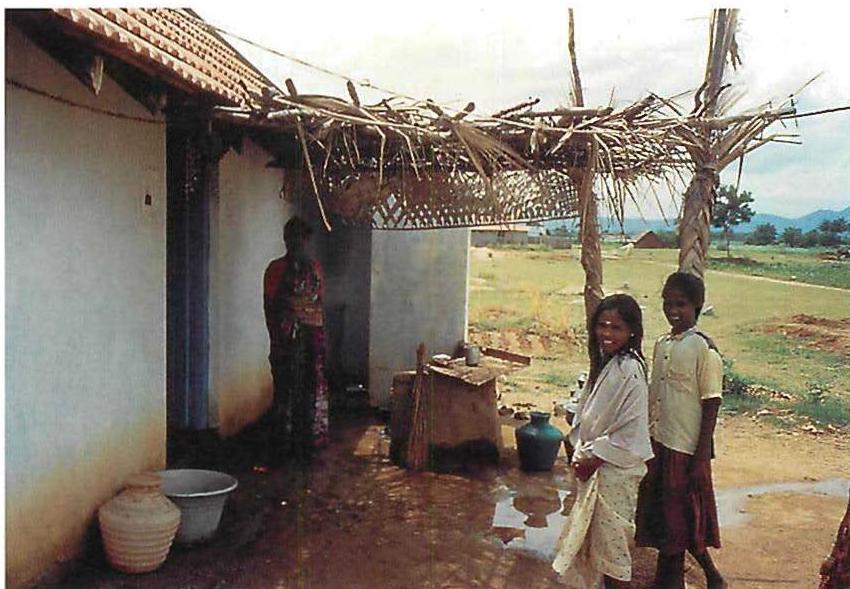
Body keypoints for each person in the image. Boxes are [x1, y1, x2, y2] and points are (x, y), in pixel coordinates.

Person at [553, 294, 653, 589]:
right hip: (597, 466)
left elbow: (630, 430)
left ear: (632, 331)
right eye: (602, 325)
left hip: (613, 473)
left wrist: (593, 459)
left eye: (616, 327)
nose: (607, 333)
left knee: (613, 553)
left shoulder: (629, 370)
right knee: (597, 549)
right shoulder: (608, 363)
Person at [635, 272, 726, 589]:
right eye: (668, 304)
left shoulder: (704, 349)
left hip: (685, 450)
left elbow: (711, 403)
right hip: (659, 443)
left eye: (681, 304)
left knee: (681, 520)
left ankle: (674, 581)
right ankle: (709, 578)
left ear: (697, 305)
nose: (673, 311)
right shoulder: (662, 344)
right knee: (667, 519)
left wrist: (700, 458)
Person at [262, 216, 329, 461]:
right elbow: (270, 307)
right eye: (294, 238)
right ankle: (286, 446)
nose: (298, 243)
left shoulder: (315, 269)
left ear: (307, 240)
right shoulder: (276, 269)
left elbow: (318, 305)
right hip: (287, 342)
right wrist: (279, 337)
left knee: (309, 391)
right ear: (286, 240)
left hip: (311, 342)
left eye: (302, 239)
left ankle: (306, 444)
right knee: (286, 392)